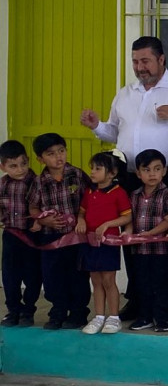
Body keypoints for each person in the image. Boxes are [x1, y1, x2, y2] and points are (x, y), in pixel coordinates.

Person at [80, 35, 168, 322]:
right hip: (129, 178)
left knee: (165, 242)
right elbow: (115, 133)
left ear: (162, 59)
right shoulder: (125, 93)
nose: (140, 67)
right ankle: (137, 301)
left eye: (145, 61)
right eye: (136, 62)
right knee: (132, 240)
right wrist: (97, 126)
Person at [28, 132, 91, 330]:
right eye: (51, 153)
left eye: (61, 151)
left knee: (78, 275)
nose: (58, 157)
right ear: (40, 159)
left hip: (76, 237)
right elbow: (33, 207)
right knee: (53, 276)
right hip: (51, 238)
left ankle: (79, 313)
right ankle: (58, 312)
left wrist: (82, 219)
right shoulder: (39, 182)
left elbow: (91, 201)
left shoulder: (78, 175)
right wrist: (44, 220)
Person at [76, 151, 132, 335]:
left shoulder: (119, 193)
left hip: (108, 243)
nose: (92, 172)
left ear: (112, 173)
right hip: (90, 241)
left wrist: (107, 224)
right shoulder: (89, 191)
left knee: (108, 280)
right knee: (95, 279)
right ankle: (99, 316)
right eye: (92, 168)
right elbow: (82, 212)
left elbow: (127, 217)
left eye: (97, 169)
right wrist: (81, 221)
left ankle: (114, 317)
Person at [127, 149, 168, 332]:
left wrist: (151, 233)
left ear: (164, 171)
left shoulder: (167, 194)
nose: (152, 173)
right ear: (138, 173)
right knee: (142, 284)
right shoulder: (134, 195)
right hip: (139, 250)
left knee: (161, 284)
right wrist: (129, 234)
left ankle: (162, 318)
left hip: (160, 250)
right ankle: (144, 317)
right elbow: (129, 219)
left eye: (157, 169)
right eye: (147, 170)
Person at [0, 140, 40, 328]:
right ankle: (13, 310)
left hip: (32, 236)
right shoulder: (2, 185)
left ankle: (28, 310)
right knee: (10, 275)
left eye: (23, 163)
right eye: (13, 166)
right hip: (10, 236)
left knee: (32, 275)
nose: (20, 169)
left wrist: (38, 221)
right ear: (3, 166)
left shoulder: (37, 182)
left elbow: (44, 206)